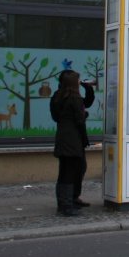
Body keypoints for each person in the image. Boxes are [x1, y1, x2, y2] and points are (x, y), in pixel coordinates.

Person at [50, 69, 95, 216]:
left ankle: (70, 199)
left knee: (71, 169)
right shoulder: (73, 98)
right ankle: (66, 205)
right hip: (73, 139)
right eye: (77, 81)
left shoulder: (57, 96)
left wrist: (88, 90)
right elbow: (80, 118)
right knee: (70, 171)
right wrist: (84, 115)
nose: (79, 82)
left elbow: (85, 103)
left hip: (63, 138)